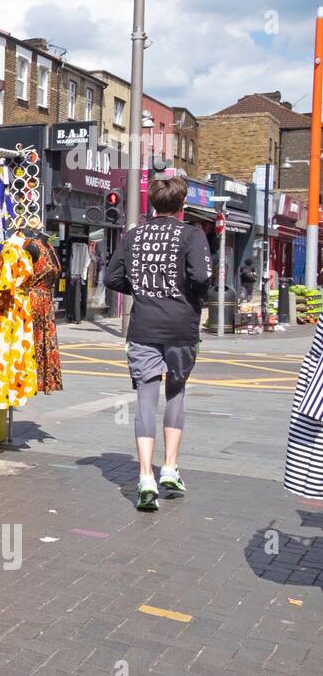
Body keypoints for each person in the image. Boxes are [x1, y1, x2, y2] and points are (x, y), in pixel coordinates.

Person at [104, 174, 211, 512]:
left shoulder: (133, 237)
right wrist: (193, 299)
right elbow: (201, 277)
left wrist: (141, 292)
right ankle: (170, 468)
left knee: (145, 399)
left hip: (144, 327)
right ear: (182, 205)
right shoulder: (192, 235)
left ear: (152, 203)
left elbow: (111, 278)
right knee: (176, 392)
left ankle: (145, 477)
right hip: (181, 327)